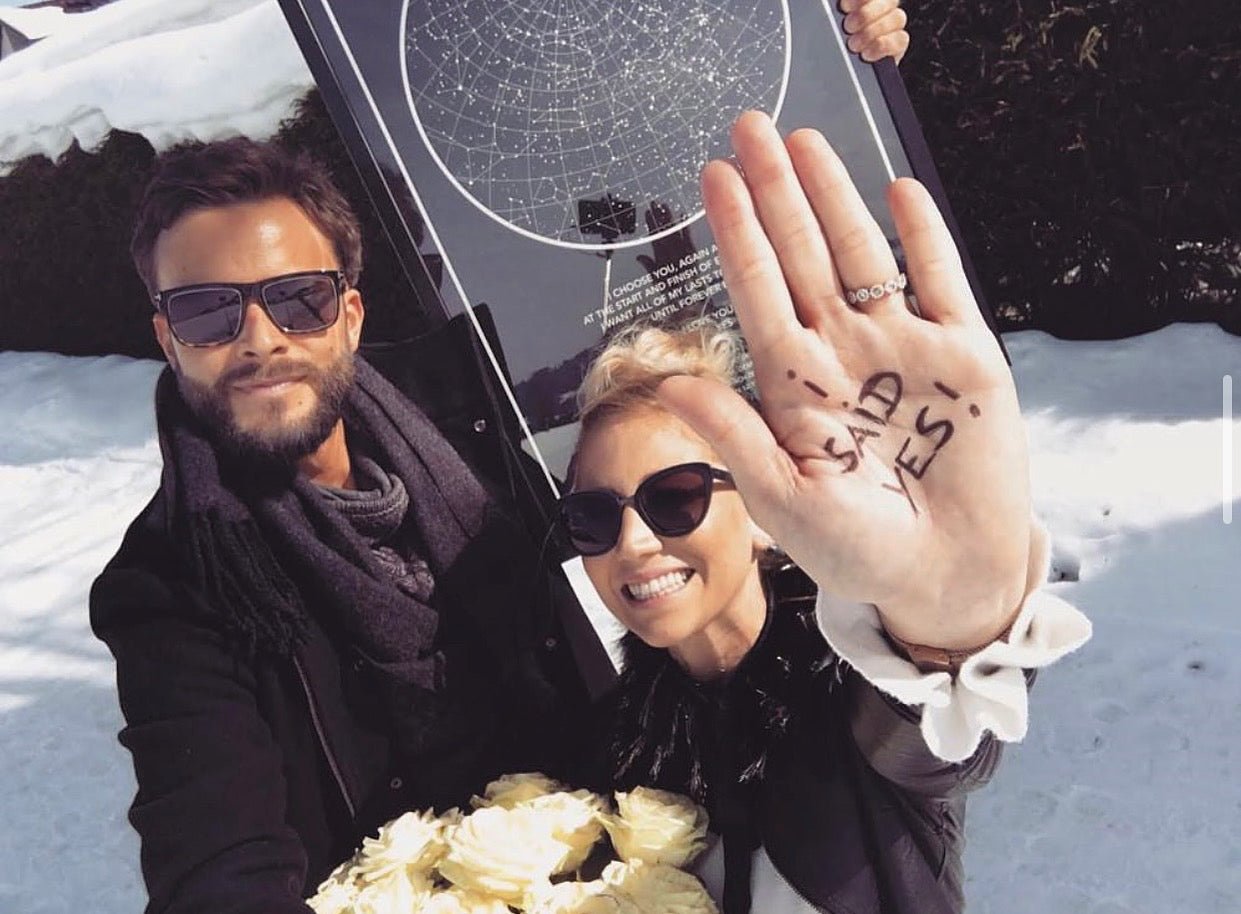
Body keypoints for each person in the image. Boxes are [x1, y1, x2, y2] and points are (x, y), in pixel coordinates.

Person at [560, 111, 1091, 913]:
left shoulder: (853, 690)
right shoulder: (616, 743)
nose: (632, 543)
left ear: (766, 511)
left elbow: (940, 750)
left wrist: (949, 615)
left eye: (675, 498)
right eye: (594, 518)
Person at [89, 139, 602, 914]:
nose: (260, 339)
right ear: (168, 342)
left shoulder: (482, 429)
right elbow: (214, 847)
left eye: (298, 298)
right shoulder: (172, 581)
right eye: (205, 311)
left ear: (350, 317)